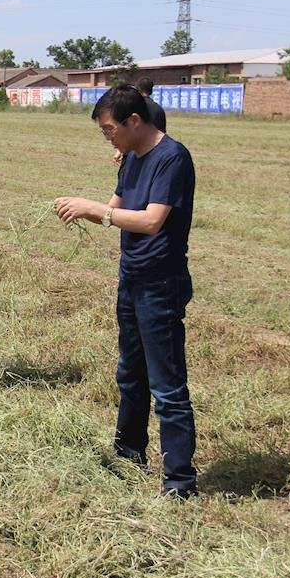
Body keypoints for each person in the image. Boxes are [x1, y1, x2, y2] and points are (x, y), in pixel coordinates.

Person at [54, 84, 197, 499]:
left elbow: (152, 221)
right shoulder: (133, 159)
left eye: (109, 130)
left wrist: (95, 210)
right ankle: (128, 455)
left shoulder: (172, 158)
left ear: (134, 121)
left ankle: (179, 482)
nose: (107, 137)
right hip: (131, 278)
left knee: (166, 386)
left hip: (160, 284)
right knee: (129, 374)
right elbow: (117, 205)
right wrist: (89, 209)